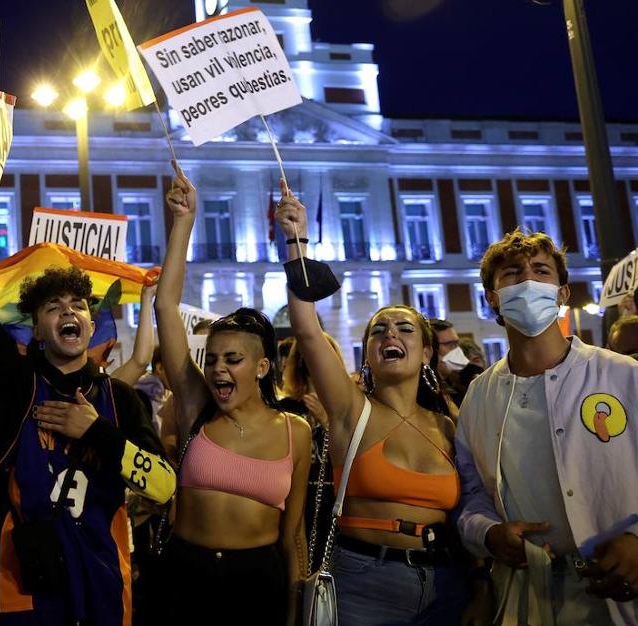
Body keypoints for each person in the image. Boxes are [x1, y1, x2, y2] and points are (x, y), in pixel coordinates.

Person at [0, 167, 175, 626]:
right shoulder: (17, 384)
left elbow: (164, 485)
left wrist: (95, 432)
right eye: (53, 307)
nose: (68, 312)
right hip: (27, 586)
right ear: (37, 330)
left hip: (103, 585)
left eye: (78, 306)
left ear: (90, 326)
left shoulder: (121, 399)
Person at [277, 182, 490, 626]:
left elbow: (469, 507)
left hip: (445, 583)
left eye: (404, 329)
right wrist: (297, 240)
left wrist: (480, 585)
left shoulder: (449, 423)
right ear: (368, 354)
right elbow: (308, 329)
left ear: (427, 353)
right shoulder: (351, 410)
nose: (390, 333)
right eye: (379, 330)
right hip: (363, 585)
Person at [455, 230, 638, 624]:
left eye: (541, 271)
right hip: (528, 594)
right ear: (492, 297)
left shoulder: (623, 375)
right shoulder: (479, 396)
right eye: (512, 274)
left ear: (562, 293)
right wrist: (488, 533)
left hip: (619, 590)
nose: (528, 281)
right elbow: (471, 493)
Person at [155, 169, 312, 625]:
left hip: (258, 583)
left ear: (262, 367)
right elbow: (165, 307)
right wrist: (184, 222)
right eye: (212, 358)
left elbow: (293, 533)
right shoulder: (195, 407)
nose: (218, 368)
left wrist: (296, 606)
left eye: (233, 359)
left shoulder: (296, 432)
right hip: (185, 579)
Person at [278, 335, 338, 570]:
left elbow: (352, 454)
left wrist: (326, 420)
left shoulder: (344, 408)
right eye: (308, 354)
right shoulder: (286, 408)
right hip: (296, 497)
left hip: (332, 499)